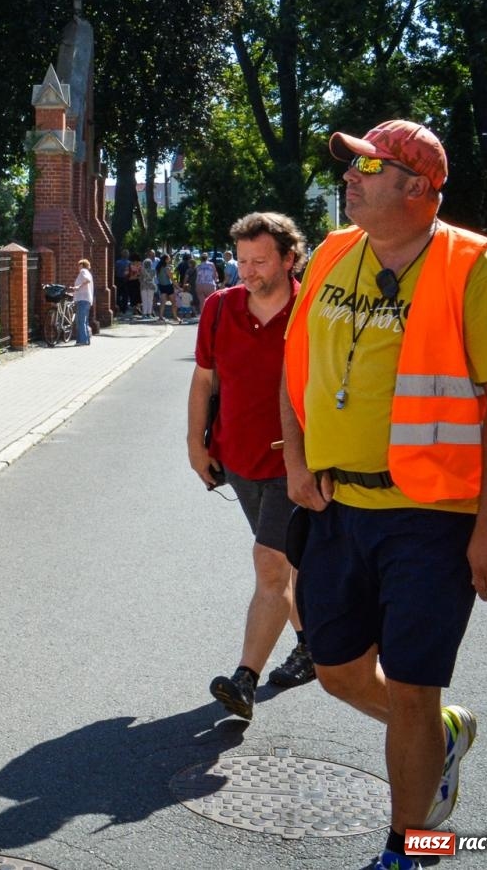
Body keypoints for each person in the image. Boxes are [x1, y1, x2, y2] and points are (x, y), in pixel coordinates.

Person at [280, 120, 487, 870]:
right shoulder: (331, 254)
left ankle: (412, 848)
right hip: (336, 508)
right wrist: (296, 459)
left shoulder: (474, 270)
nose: (350, 176)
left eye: (369, 166)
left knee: (416, 691)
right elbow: (294, 366)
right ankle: (442, 735)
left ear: (418, 187)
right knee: (336, 672)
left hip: (433, 517)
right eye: (352, 165)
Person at [189, 212, 314, 722]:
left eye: (260, 260)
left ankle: (245, 678)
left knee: (270, 563)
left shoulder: (313, 308)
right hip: (237, 459)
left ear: (290, 258)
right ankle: (309, 646)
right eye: (241, 260)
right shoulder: (220, 308)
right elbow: (204, 381)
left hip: (295, 461)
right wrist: (196, 445)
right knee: (287, 564)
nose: (247, 270)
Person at [71, 258, 94, 345]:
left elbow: (87, 280)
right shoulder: (87, 272)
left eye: (79, 265)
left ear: (82, 265)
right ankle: (86, 340)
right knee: (84, 321)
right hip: (86, 299)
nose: (78, 267)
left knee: (80, 321)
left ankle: (82, 341)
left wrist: (78, 287)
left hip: (83, 299)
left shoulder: (83, 271)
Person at [157, 253, 180, 323]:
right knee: (174, 302)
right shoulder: (167, 268)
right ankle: (175, 317)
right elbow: (172, 279)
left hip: (161, 286)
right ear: (166, 260)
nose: (170, 259)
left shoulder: (159, 267)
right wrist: (178, 287)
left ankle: (160, 317)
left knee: (163, 302)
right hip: (168, 286)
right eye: (169, 258)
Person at [138, 250, 159, 323]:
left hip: (143, 285)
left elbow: (140, 279)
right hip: (151, 285)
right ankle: (149, 313)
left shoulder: (142, 271)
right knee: (150, 300)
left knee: (144, 300)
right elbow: (154, 277)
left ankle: (144, 313)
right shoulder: (153, 271)